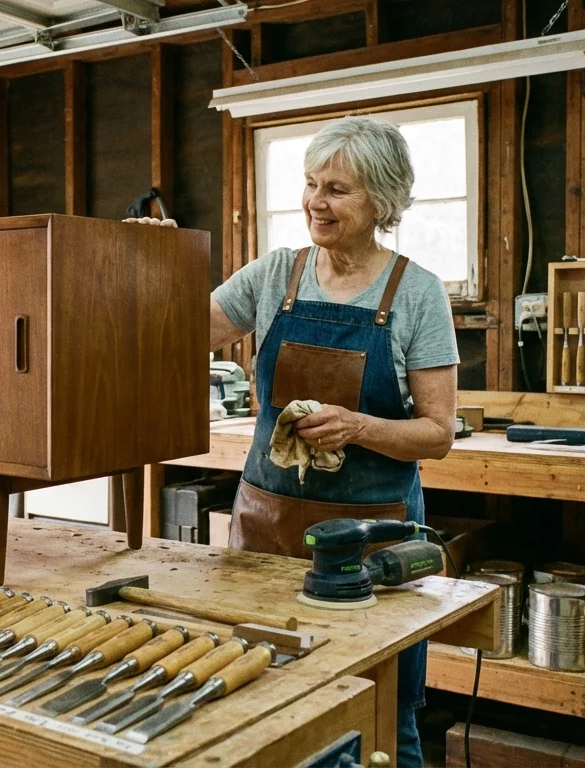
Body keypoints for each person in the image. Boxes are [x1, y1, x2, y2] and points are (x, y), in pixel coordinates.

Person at [128, 116, 458, 767]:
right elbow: (180, 335)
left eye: (336, 189)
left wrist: (358, 426)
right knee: (259, 693)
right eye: (311, 184)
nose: (315, 201)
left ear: (382, 202)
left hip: (371, 539)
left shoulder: (417, 295)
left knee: (383, 715)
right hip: (269, 529)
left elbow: (439, 434)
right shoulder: (276, 274)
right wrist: (157, 260)